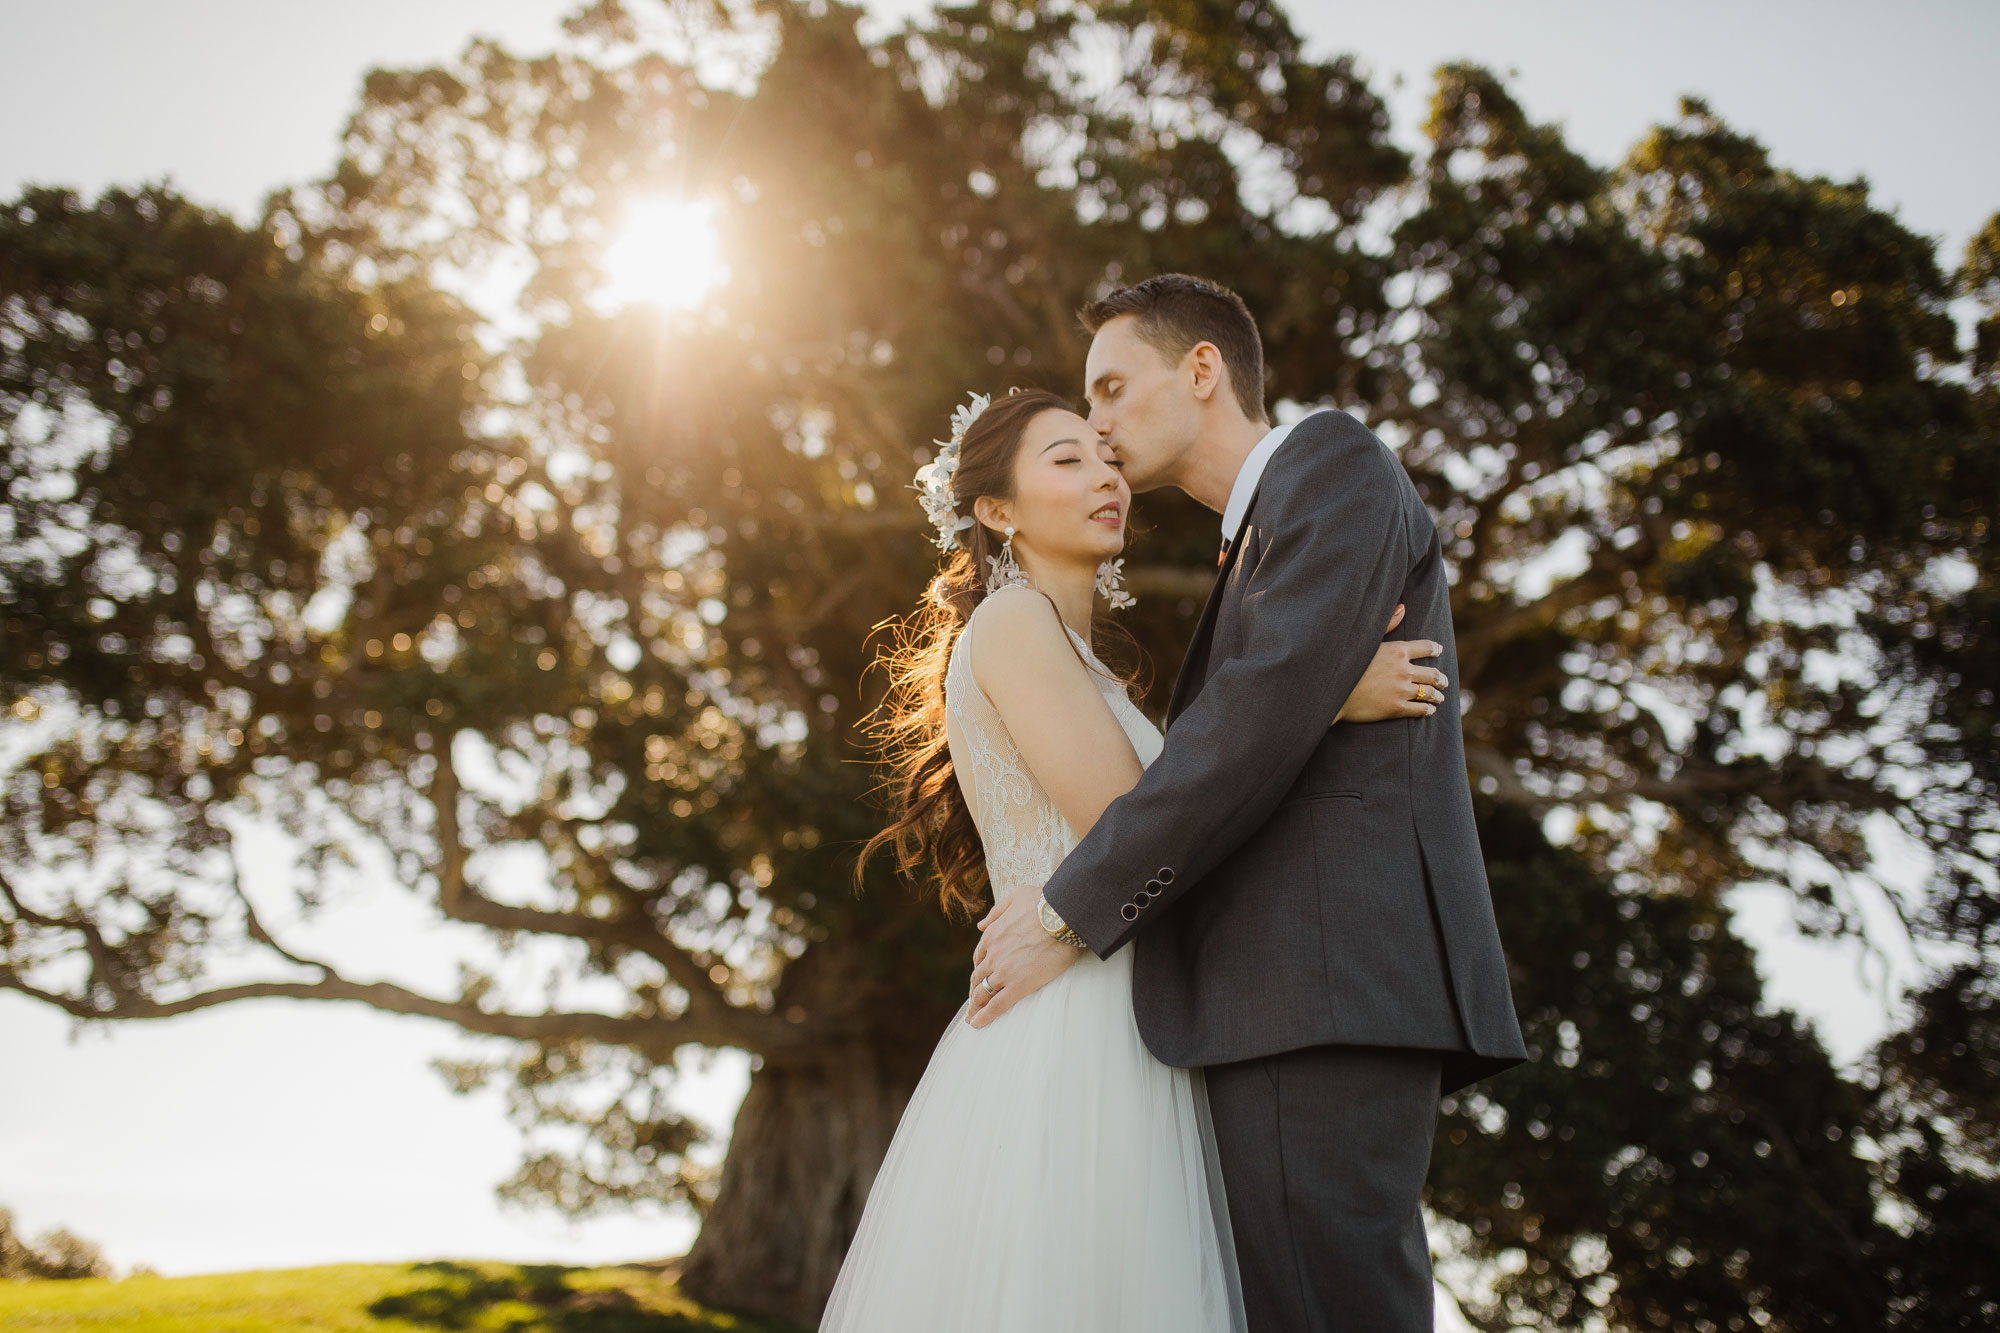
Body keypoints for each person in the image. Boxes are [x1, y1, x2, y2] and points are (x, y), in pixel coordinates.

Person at [822, 385, 1452, 1332]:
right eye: (1066, 459)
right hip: (1076, 1026)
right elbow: (1135, 815)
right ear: (996, 510)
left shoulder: (1093, 665)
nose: (1106, 475)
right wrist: (1320, 693)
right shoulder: (1012, 622)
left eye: (1107, 457)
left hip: (1138, 1003)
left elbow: (1186, 803)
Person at [968, 275, 1528, 1332]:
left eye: (1112, 388)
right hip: (1279, 998)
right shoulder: (1251, 541)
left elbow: (1254, 711)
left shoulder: (1331, 464)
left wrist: (1063, 912)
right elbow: (1263, 710)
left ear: (1201, 369)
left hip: (1313, 990)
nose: (1097, 425)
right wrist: (1321, 694)